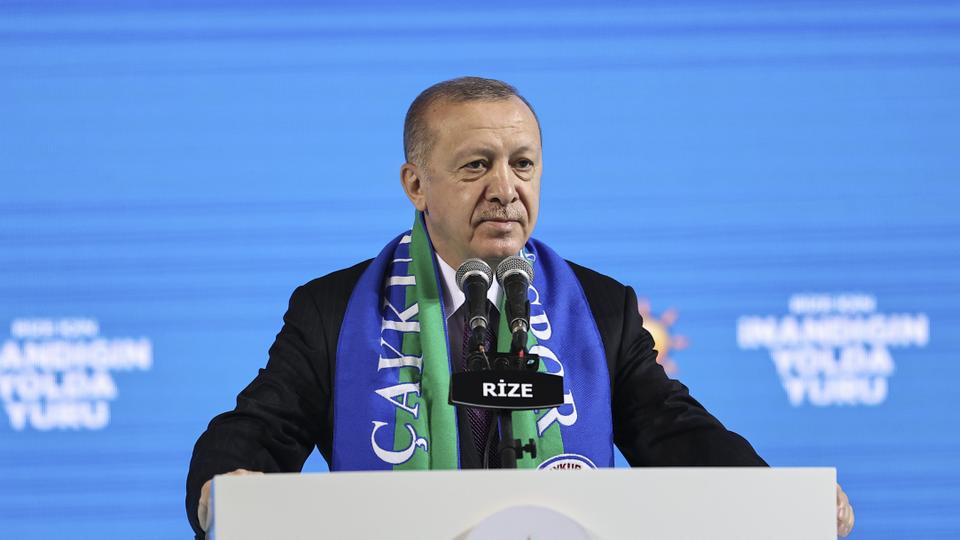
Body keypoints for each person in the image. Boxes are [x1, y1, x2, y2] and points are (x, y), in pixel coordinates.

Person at [186, 77, 854, 538]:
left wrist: (778, 500)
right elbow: (260, 427)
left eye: (523, 164)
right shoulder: (333, 311)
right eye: (477, 165)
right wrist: (224, 483)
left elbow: (674, 431)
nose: (506, 188)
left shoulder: (599, 308)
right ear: (415, 184)